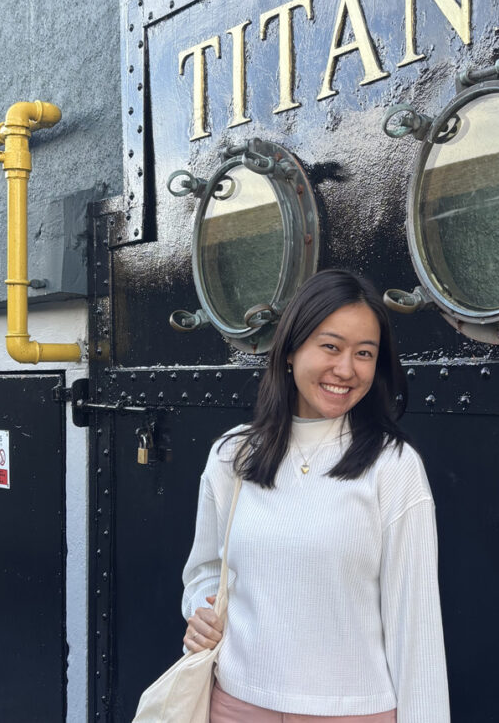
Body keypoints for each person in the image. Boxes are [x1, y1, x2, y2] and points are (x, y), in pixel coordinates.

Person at [179, 269, 450, 723]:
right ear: (289, 350)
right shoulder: (234, 454)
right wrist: (201, 610)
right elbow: (206, 570)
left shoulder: (393, 466)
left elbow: (416, 624)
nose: (346, 369)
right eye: (331, 346)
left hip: (353, 712)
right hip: (235, 704)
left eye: (365, 353)